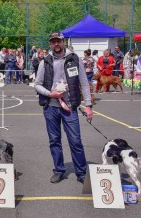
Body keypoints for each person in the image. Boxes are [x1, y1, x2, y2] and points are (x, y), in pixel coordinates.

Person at [35, 31, 93, 184]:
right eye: (53, 41)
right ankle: (59, 170)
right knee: (54, 141)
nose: (56, 44)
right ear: (50, 43)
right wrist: (50, 94)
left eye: (58, 41)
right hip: (51, 107)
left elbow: (84, 83)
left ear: (63, 42)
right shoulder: (44, 62)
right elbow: (37, 85)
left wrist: (88, 105)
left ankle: (81, 173)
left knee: (75, 141)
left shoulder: (74, 59)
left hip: (69, 107)